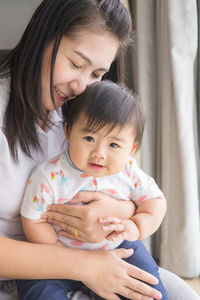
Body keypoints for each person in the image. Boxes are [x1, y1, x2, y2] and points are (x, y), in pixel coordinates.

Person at [0, 0, 199, 299]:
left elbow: (131, 186)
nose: (82, 87)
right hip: (26, 271)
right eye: (76, 64)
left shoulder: (81, 114)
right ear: (42, 37)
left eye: (96, 74)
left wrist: (122, 212)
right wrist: (84, 265)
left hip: (97, 253)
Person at [17, 80, 168, 300]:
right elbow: (32, 220)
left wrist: (136, 226)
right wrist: (62, 254)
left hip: (119, 247)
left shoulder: (129, 172)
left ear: (132, 148)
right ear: (68, 132)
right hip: (59, 254)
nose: (99, 153)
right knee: (38, 288)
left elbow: (156, 201)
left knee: (150, 288)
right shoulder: (49, 175)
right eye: (89, 138)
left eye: (114, 145)